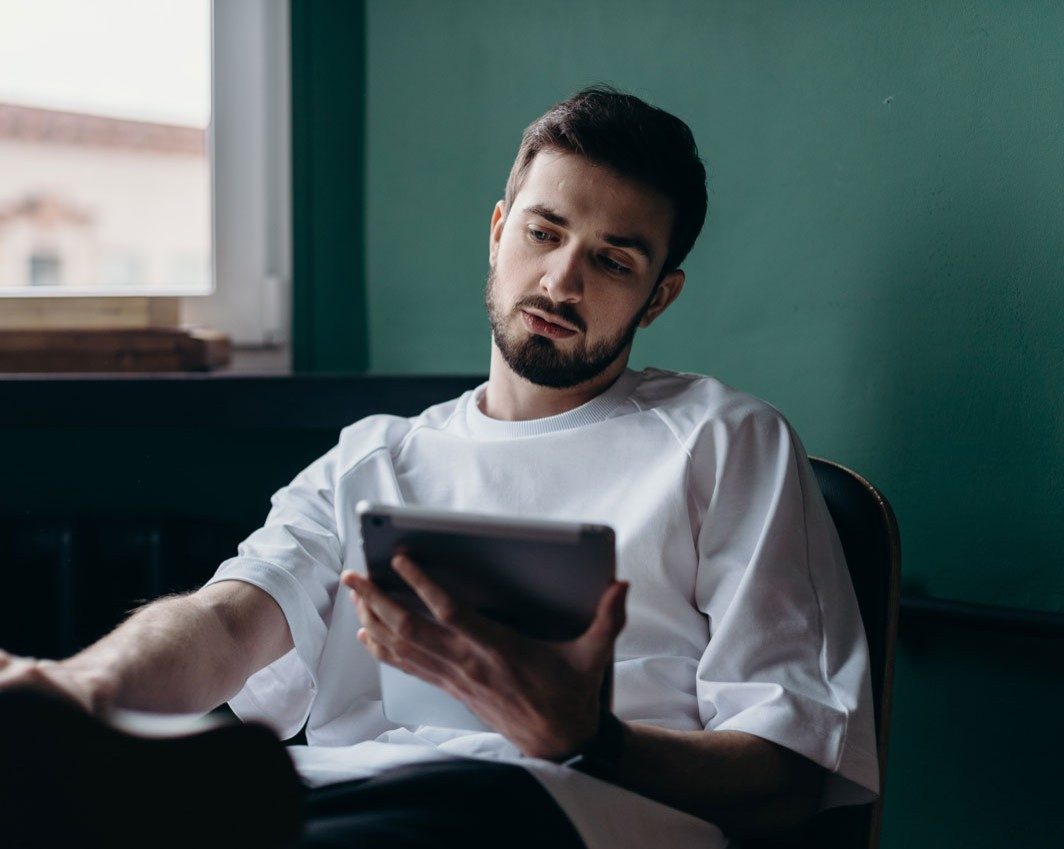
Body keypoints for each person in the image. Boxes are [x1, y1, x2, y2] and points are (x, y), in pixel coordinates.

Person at [0, 86, 880, 849]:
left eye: (613, 260)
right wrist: (79, 690)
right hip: (339, 795)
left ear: (660, 295)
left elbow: (789, 778)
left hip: (560, 808)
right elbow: (228, 623)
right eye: (544, 232)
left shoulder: (724, 440)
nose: (562, 282)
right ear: (499, 234)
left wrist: (587, 736)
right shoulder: (376, 457)